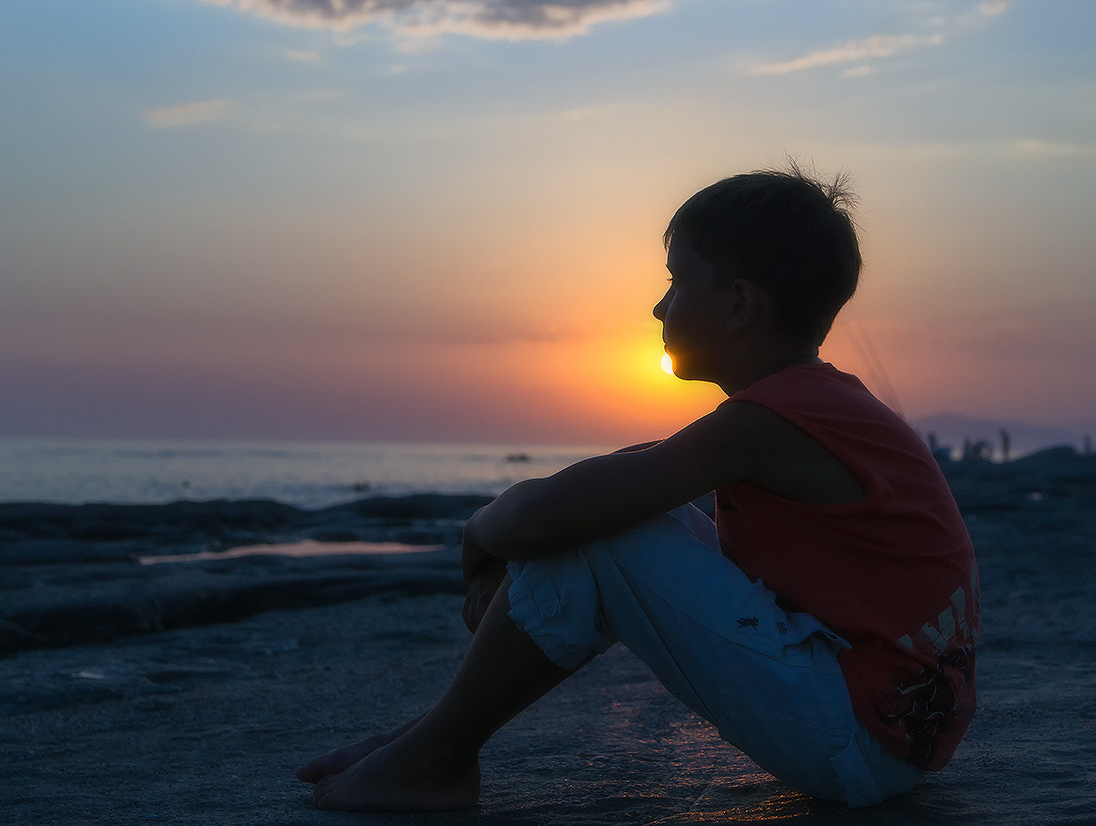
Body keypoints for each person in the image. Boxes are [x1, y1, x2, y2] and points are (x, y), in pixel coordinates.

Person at [296, 166, 980, 812]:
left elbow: (550, 516)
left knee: (605, 532)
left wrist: (479, 536)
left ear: (739, 303)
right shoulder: (812, 407)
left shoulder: (766, 424)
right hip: (890, 733)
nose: (658, 306)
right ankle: (433, 738)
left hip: (863, 743)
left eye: (677, 281)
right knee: (615, 505)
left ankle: (435, 756)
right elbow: (614, 480)